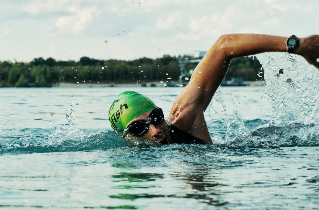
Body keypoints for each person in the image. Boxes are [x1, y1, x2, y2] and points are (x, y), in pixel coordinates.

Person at [108, 34, 319, 145]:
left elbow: (224, 45)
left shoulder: (184, 119)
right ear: (126, 137)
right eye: (138, 129)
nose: (155, 130)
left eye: (156, 117)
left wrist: (295, 45)